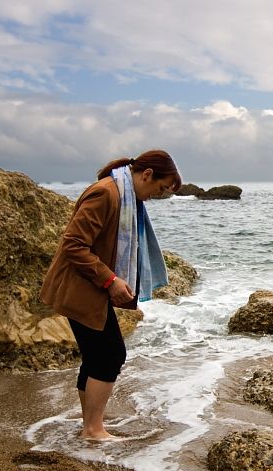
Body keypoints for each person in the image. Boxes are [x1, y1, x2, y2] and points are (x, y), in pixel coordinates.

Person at [41, 150, 181, 440]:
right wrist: (111, 280)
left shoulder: (121, 193)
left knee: (97, 356)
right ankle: (93, 429)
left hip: (88, 288)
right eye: (160, 188)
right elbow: (74, 244)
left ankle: (90, 424)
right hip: (80, 288)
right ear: (147, 175)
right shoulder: (107, 193)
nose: (157, 195)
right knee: (111, 354)